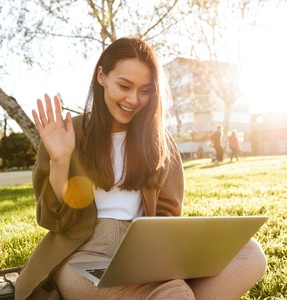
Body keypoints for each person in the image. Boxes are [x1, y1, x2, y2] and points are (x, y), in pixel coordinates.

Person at [15, 37, 266, 300]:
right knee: (174, 293)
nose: (133, 99)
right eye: (124, 86)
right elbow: (52, 220)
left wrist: (165, 259)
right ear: (102, 76)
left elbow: (168, 216)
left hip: (143, 253)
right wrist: (60, 160)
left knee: (250, 254)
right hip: (82, 254)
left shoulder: (159, 142)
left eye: (145, 90)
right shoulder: (66, 134)